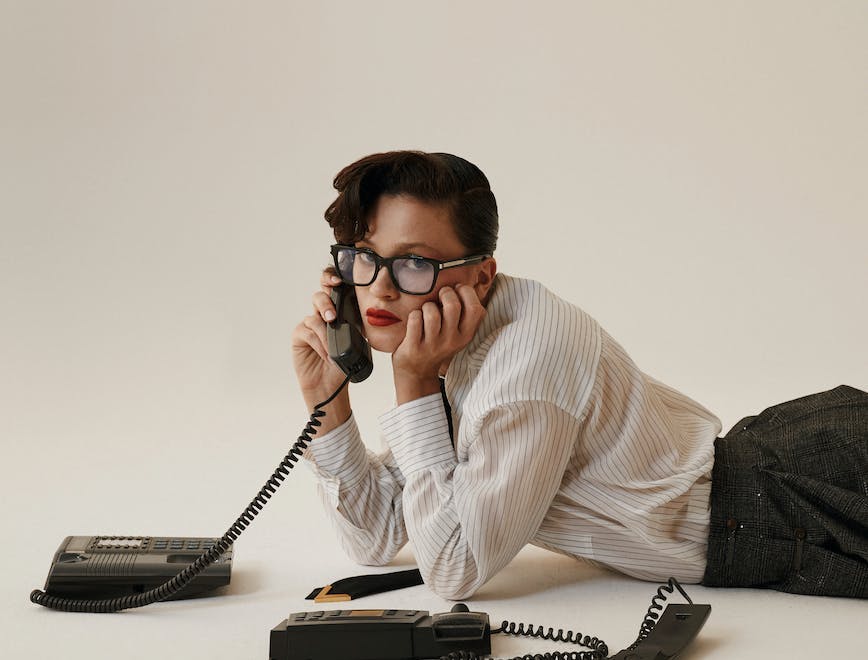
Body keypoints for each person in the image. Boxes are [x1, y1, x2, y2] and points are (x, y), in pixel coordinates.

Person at [292, 150, 868, 600]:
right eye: (362, 255)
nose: (380, 286)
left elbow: (453, 567)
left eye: (415, 262)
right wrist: (329, 402)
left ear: (481, 277)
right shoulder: (453, 344)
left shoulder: (522, 366)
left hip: (787, 503)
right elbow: (374, 538)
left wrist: (412, 385)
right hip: (763, 481)